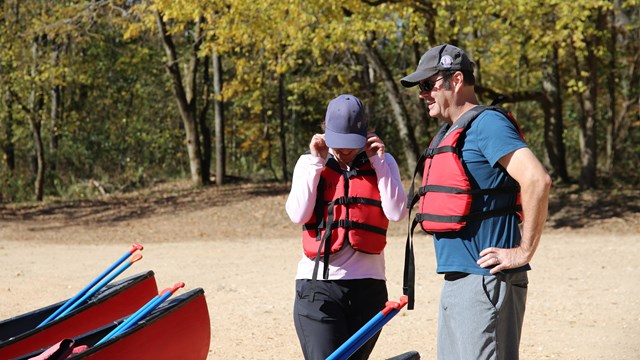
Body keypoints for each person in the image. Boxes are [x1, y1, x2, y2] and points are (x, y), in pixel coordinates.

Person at [399, 44, 552, 359]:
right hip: (458, 280)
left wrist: (524, 251)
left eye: (428, 85)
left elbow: (537, 180)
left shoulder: (487, 124)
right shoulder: (451, 131)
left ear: (456, 80)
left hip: (485, 282)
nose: (422, 94)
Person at [285, 94, 408, 360]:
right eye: (338, 143)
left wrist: (380, 164)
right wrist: (317, 163)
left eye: (351, 144)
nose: (344, 151)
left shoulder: (383, 163)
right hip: (318, 290)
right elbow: (297, 214)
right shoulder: (308, 163)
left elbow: (397, 213)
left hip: (369, 290)